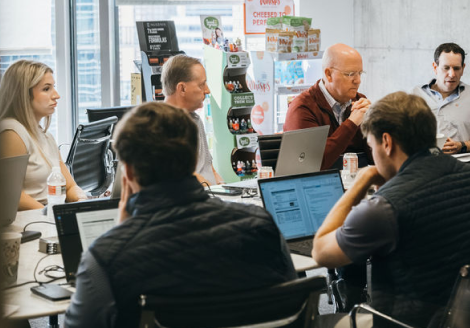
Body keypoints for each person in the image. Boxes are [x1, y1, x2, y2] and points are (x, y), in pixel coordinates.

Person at [64, 102, 297, 328]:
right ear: (193, 159)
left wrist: (122, 232)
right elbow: (291, 306)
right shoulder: (260, 225)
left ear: (129, 173)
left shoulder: (105, 258)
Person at [312, 91, 470, 328]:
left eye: (371, 145)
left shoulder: (385, 208)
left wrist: (362, 180)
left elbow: (321, 252)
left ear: (387, 143)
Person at [0, 60, 86, 210]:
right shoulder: (11, 132)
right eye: (46, 89)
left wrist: (82, 200)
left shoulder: (46, 136)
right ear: (23, 95)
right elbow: (12, 195)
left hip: (47, 217)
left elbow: (70, 186)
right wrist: (51, 214)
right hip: (29, 224)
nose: (56, 95)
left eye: (53, 87)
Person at [283, 43, 372, 170]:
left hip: (356, 184)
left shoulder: (359, 101)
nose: (358, 80)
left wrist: (375, 127)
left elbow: (377, 159)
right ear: (329, 74)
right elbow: (312, 163)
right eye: (350, 74)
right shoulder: (303, 108)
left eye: (360, 73)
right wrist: (352, 123)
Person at [412, 42, 470, 154]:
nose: (452, 74)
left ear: (463, 68)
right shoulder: (416, 95)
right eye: (446, 68)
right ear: (435, 67)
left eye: (456, 68)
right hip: (424, 165)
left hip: (462, 167)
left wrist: (462, 146)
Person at [161, 54, 223, 186]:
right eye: (202, 85)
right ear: (182, 88)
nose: (207, 90)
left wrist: (225, 188)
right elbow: (184, 176)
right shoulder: (160, 126)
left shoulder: (194, 119)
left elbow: (207, 165)